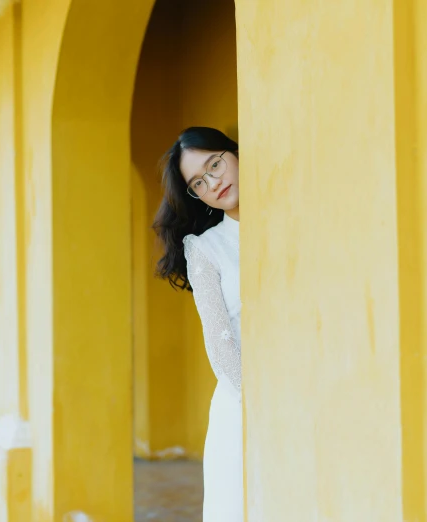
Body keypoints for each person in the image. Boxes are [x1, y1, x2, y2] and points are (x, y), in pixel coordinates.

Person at [154, 127, 243, 521]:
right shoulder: (206, 249)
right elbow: (220, 345)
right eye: (199, 182)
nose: (214, 181)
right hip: (243, 409)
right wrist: (266, 407)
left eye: (215, 163)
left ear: (235, 154)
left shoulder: (289, 218)